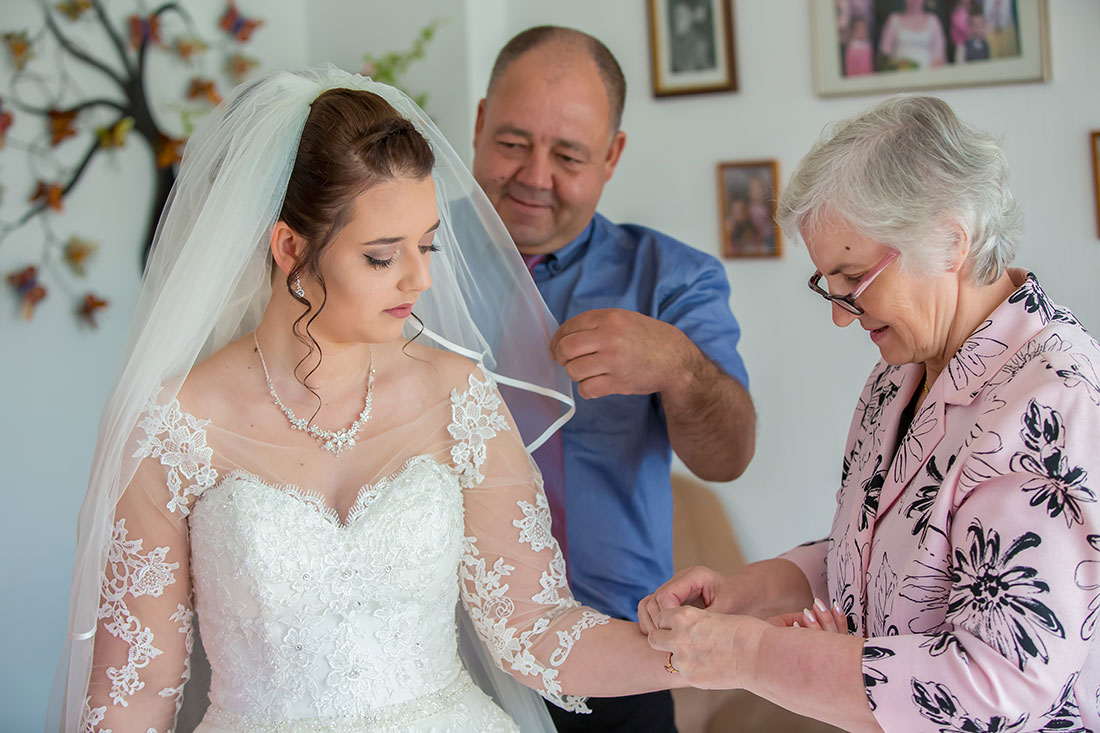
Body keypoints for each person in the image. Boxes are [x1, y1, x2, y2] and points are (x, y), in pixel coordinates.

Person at [48, 65, 689, 733]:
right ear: (291, 247)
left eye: (428, 243)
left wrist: (720, 651)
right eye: (383, 256)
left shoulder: (458, 395)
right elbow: (134, 687)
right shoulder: (176, 424)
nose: (420, 277)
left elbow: (536, 630)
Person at [638, 95, 1100, 731]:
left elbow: (1000, 683)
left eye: (853, 280)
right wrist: (744, 592)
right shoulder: (897, 375)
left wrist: (748, 654)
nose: (838, 313)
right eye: (828, 284)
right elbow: (873, 560)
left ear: (949, 240)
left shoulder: (1052, 402)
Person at [472, 26, 756, 732]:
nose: (535, 175)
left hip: (612, 663)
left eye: (568, 154)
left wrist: (679, 368)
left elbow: (728, 457)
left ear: (612, 156)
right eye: (512, 142)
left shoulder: (674, 279)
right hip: (442, 660)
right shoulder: (401, 261)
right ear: (477, 126)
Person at [879, 0, 947, 70]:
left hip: (928, 72)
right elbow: (885, 53)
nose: (914, 1)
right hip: (900, 73)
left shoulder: (933, 20)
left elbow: (940, 53)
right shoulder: (894, 20)